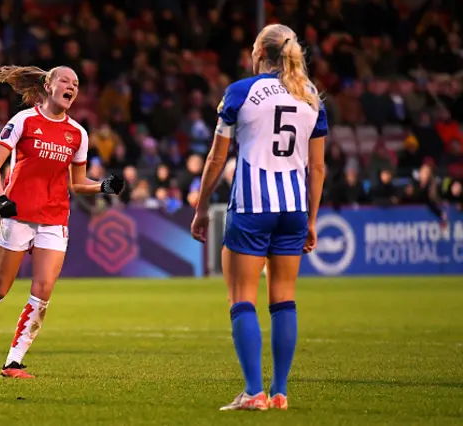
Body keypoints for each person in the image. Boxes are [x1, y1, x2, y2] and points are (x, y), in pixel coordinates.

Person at [0, 65, 124, 378]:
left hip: (55, 217)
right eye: (65, 81)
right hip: (17, 213)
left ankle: (13, 362)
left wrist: (103, 186)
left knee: (43, 290)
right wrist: (0, 198)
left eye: (76, 84)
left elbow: (77, 181)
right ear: (49, 84)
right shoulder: (24, 121)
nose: (72, 87)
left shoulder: (78, 134)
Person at [190, 24, 327, 411]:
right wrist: (312, 219)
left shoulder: (240, 91)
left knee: (242, 298)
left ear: (259, 54)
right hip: (293, 210)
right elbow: (317, 168)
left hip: (252, 206)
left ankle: (253, 392)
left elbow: (218, 158)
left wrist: (201, 208)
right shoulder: (311, 95)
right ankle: (280, 391)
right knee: (284, 299)